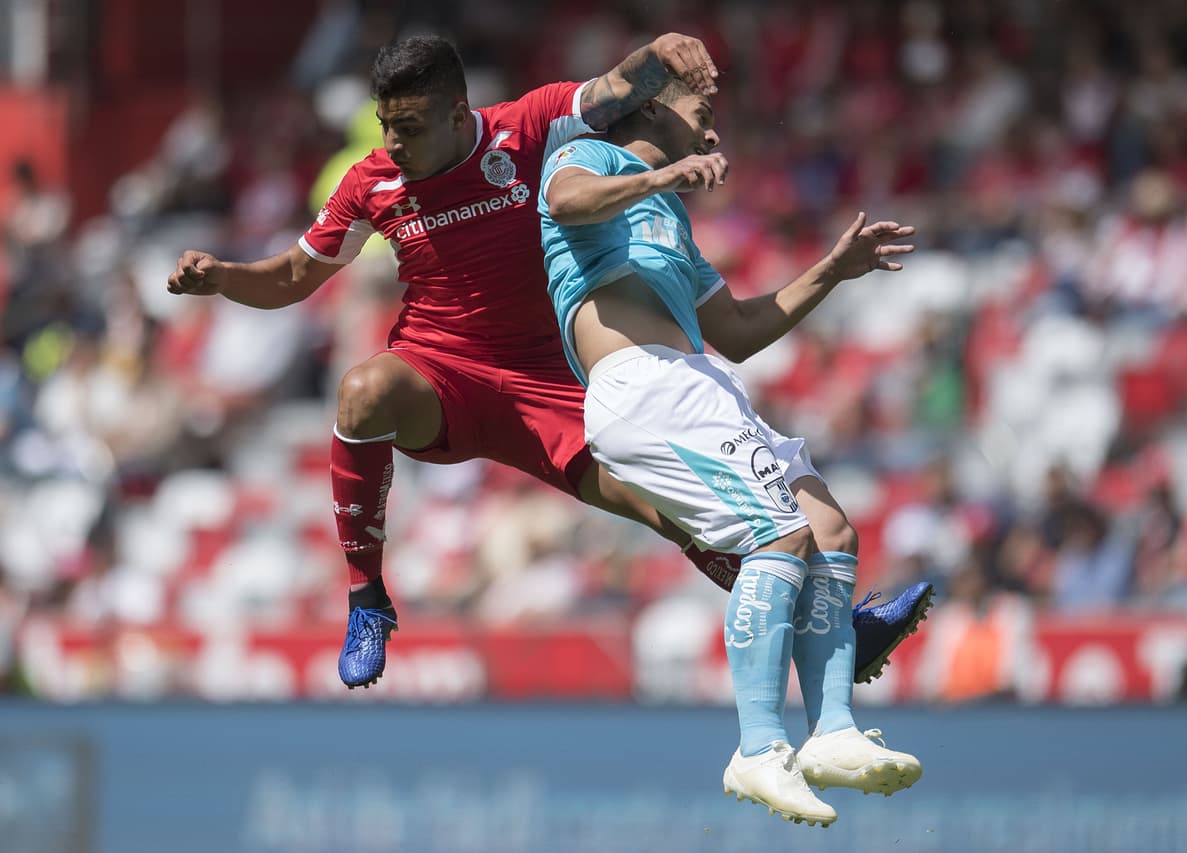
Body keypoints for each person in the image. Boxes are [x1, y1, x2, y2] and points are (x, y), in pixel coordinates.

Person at [166, 34, 930, 691]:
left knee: (674, 514)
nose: (395, 142)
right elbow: (295, 278)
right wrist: (222, 278)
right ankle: (367, 595)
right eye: (386, 125)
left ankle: (837, 637)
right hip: (443, 371)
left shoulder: (524, 129)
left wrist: (661, 53)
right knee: (362, 389)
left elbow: (618, 87)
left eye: (412, 126)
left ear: (459, 113)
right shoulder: (371, 182)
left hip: (555, 383)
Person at [538, 78, 922, 825]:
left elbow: (739, 328)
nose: (712, 134)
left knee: (831, 528)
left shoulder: (670, 218)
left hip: (700, 381)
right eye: (701, 114)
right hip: (641, 384)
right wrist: (662, 173)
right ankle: (756, 745)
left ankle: (833, 732)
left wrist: (832, 272)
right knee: (778, 534)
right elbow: (564, 205)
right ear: (650, 109)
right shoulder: (585, 157)